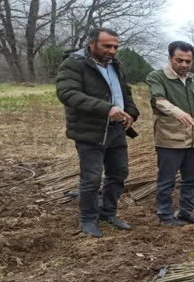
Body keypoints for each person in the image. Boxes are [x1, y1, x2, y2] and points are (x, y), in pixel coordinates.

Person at [55, 27, 139, 238]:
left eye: (116, 47)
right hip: (90, 131)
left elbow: (125, 93)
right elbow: (68, 93)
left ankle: (108, 213)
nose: (112, 51)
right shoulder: (74, 64)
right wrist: (106, 108)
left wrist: (131, 113)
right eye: (107, 46)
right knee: (91, 179)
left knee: (119, 173)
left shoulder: (115, 66)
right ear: (91, 43)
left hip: (116, 130)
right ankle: (88, 220)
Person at [146, 41, 194, 227]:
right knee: (167, 180)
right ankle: (165, 214)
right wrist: (178, 113)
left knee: (190, 180)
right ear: (170, 58)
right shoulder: (157, 77)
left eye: (188, 61)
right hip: (170, 138)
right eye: (179, 60)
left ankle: (187, 212)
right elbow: (159, 101)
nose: (184, 65)